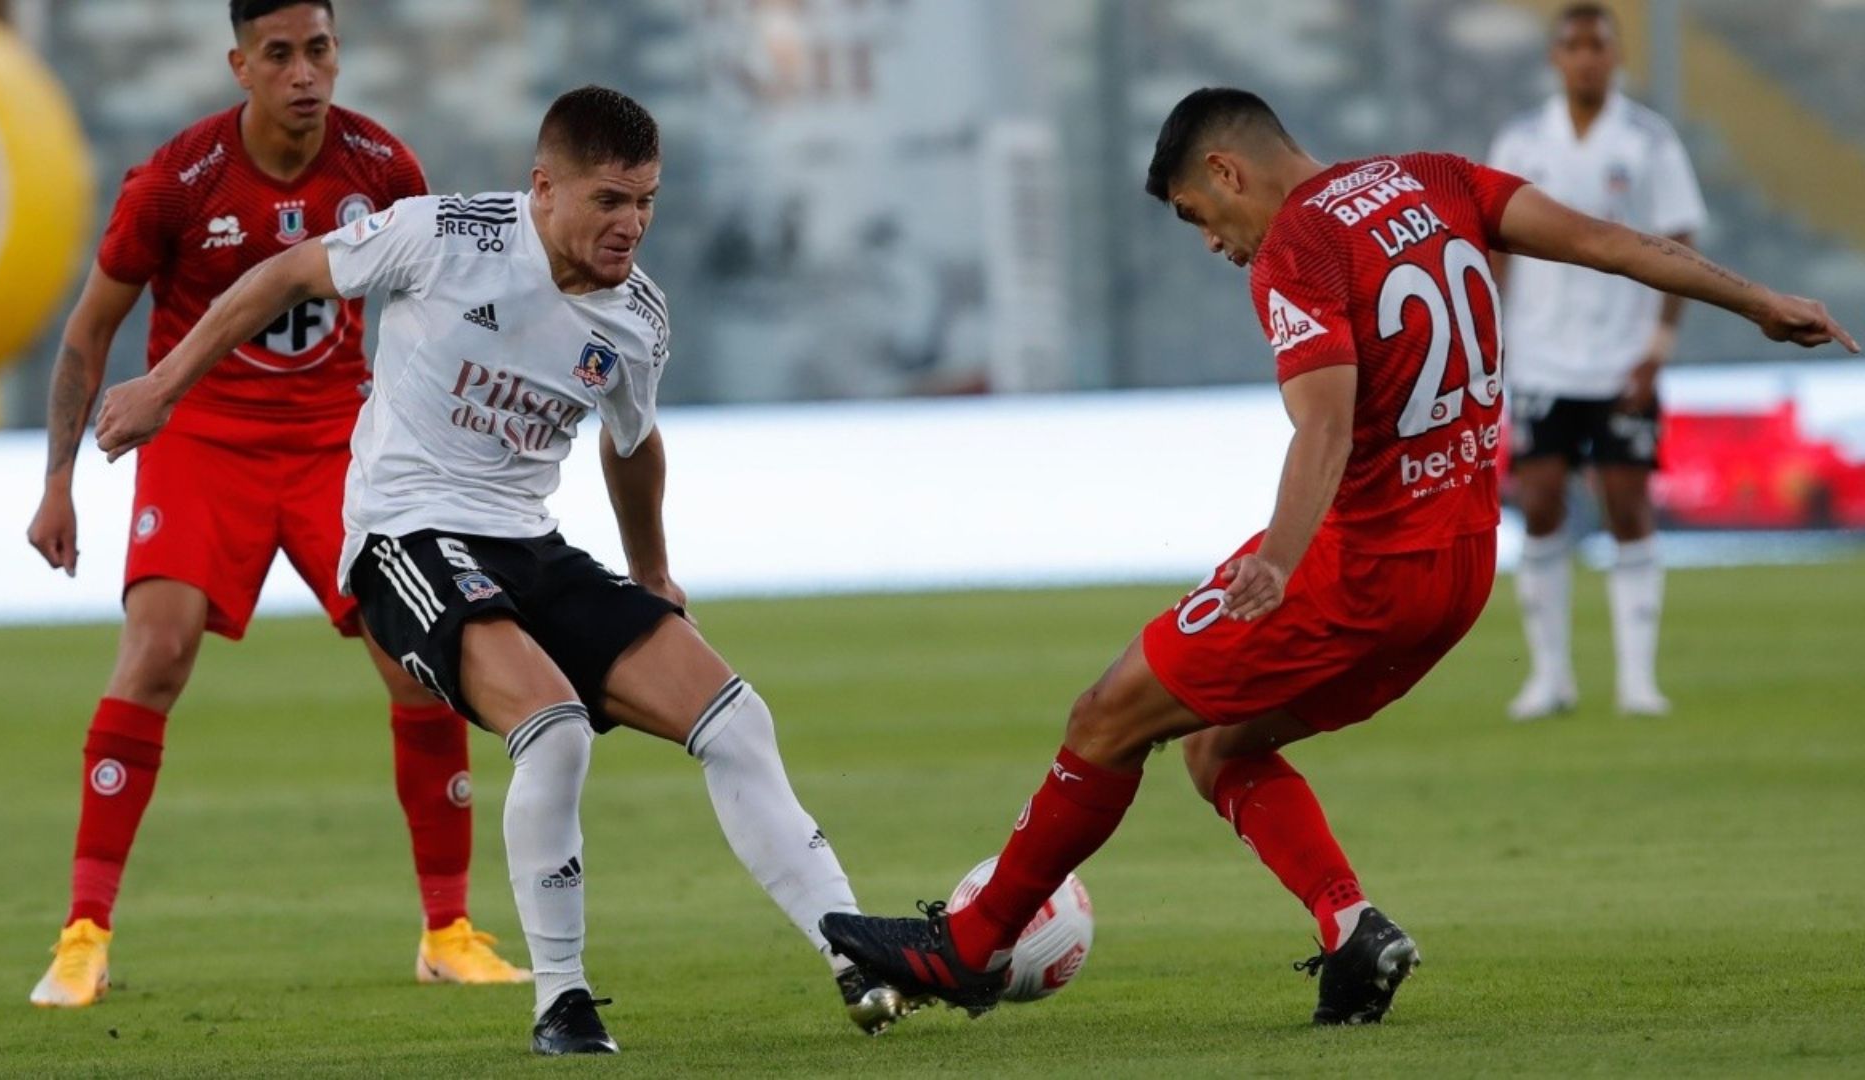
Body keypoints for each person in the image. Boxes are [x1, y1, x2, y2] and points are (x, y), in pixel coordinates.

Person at [818, 87, 1855, 1026]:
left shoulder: (1297, 248)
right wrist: (1757, 298)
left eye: (1197, 217)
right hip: (1458, 573)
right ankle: (1352, 929)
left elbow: (1323, 426)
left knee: (1106, 716)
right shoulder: (1435, 179)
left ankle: (967, 946)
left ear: (1225, 172)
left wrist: (1278, 558)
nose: (1214, 245)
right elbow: (1604, 241)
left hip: (1355, 568)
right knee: (1217, 747)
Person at [92, 85, 910, 1055]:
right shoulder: (442, 235)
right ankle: (560, 1001)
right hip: (404, 535)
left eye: (647, 200)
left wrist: (654, 575)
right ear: (544, 189)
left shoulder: (638, 316)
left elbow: (631, 443)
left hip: (527, 543)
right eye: (610, 200)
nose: (632, 224)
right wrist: (161, 387)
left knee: (736, 717)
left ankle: (851, 948)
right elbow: (282, 279)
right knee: (555, 729)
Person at [23, 0, 526, 1008]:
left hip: (338, 441)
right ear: (241, 65)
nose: (306, 73)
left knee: (416, 657)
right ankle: (83, 934)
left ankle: (448, 928)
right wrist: (59, 484)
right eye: (282, 55)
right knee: (157, 649)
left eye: (321, 50)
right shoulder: (174, 185)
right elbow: (88, 333)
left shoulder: (384, 168)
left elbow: (431, 314)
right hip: (203, 437)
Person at [1489, 3, 1706, 720]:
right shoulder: (1521, 141)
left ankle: (1638, 681)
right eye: (1574, 46)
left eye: (1598, 46)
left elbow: (1680, 239)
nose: (1586, 57)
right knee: (1543, 501)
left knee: (1628, 504)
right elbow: (1493, 245)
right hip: (1543, 357)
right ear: (1556, 57)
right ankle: (1548, 677)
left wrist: (1659, 346)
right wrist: (1493, 340)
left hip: (1622, 358)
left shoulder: (1648, 140)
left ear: (1615, 57)